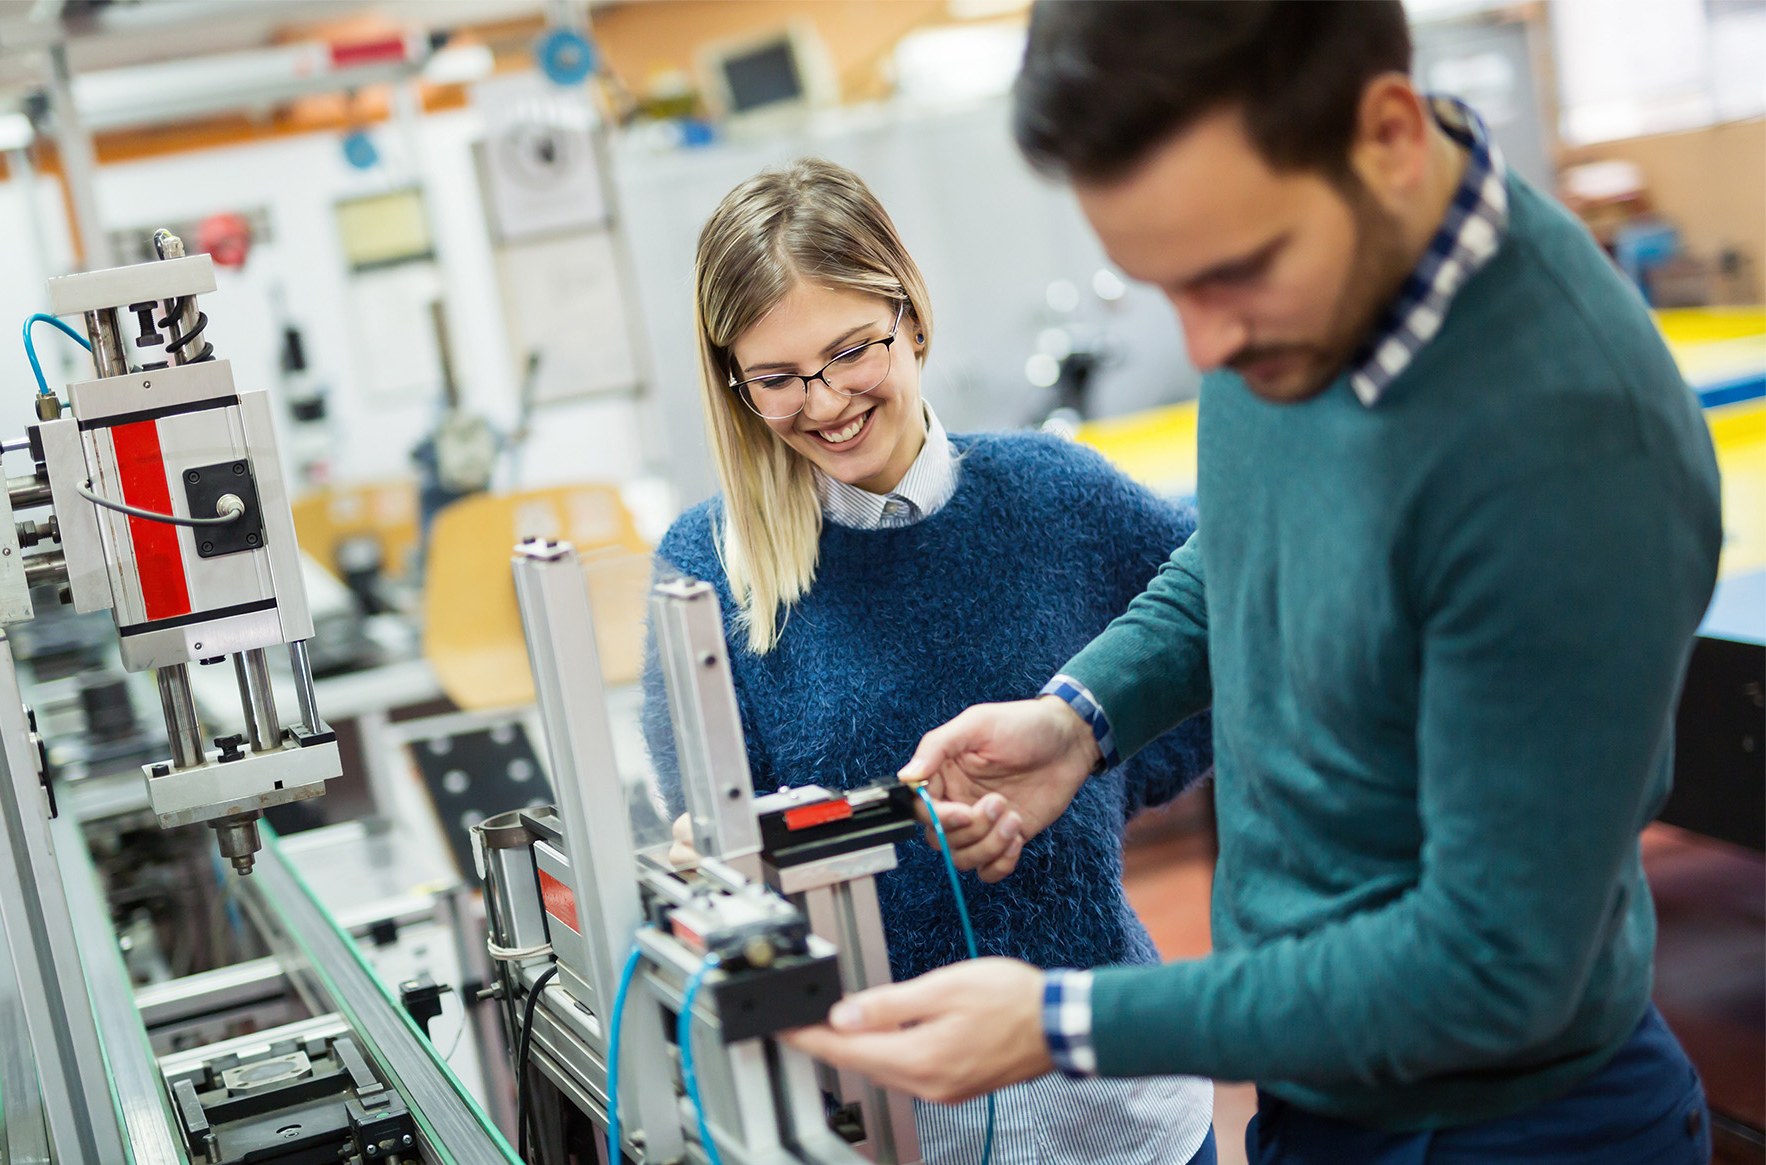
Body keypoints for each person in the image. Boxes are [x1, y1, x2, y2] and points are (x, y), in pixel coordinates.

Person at [787, 5, 1722, 1164]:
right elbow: (1241, 548)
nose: (1206, 344)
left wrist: (1063, 1023)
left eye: (1230, 273)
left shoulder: (1567, 445)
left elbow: (1493, 968)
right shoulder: (1299, 293)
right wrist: (1081, 718)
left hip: (1510, 1126)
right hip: (1322, 1098)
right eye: (1160, 282)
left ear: (1383, 135)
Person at [639, 158, 1220, 1165]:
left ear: (908, 312)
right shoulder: (708, 566)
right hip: (892, 1121)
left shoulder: (1056, 493)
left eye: (849, 350)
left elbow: (1212, 656)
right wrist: (877, 839)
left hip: (1120, 1110)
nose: (823, 402)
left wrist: (1084, 772)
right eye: (775, 379)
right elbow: (715, 843)